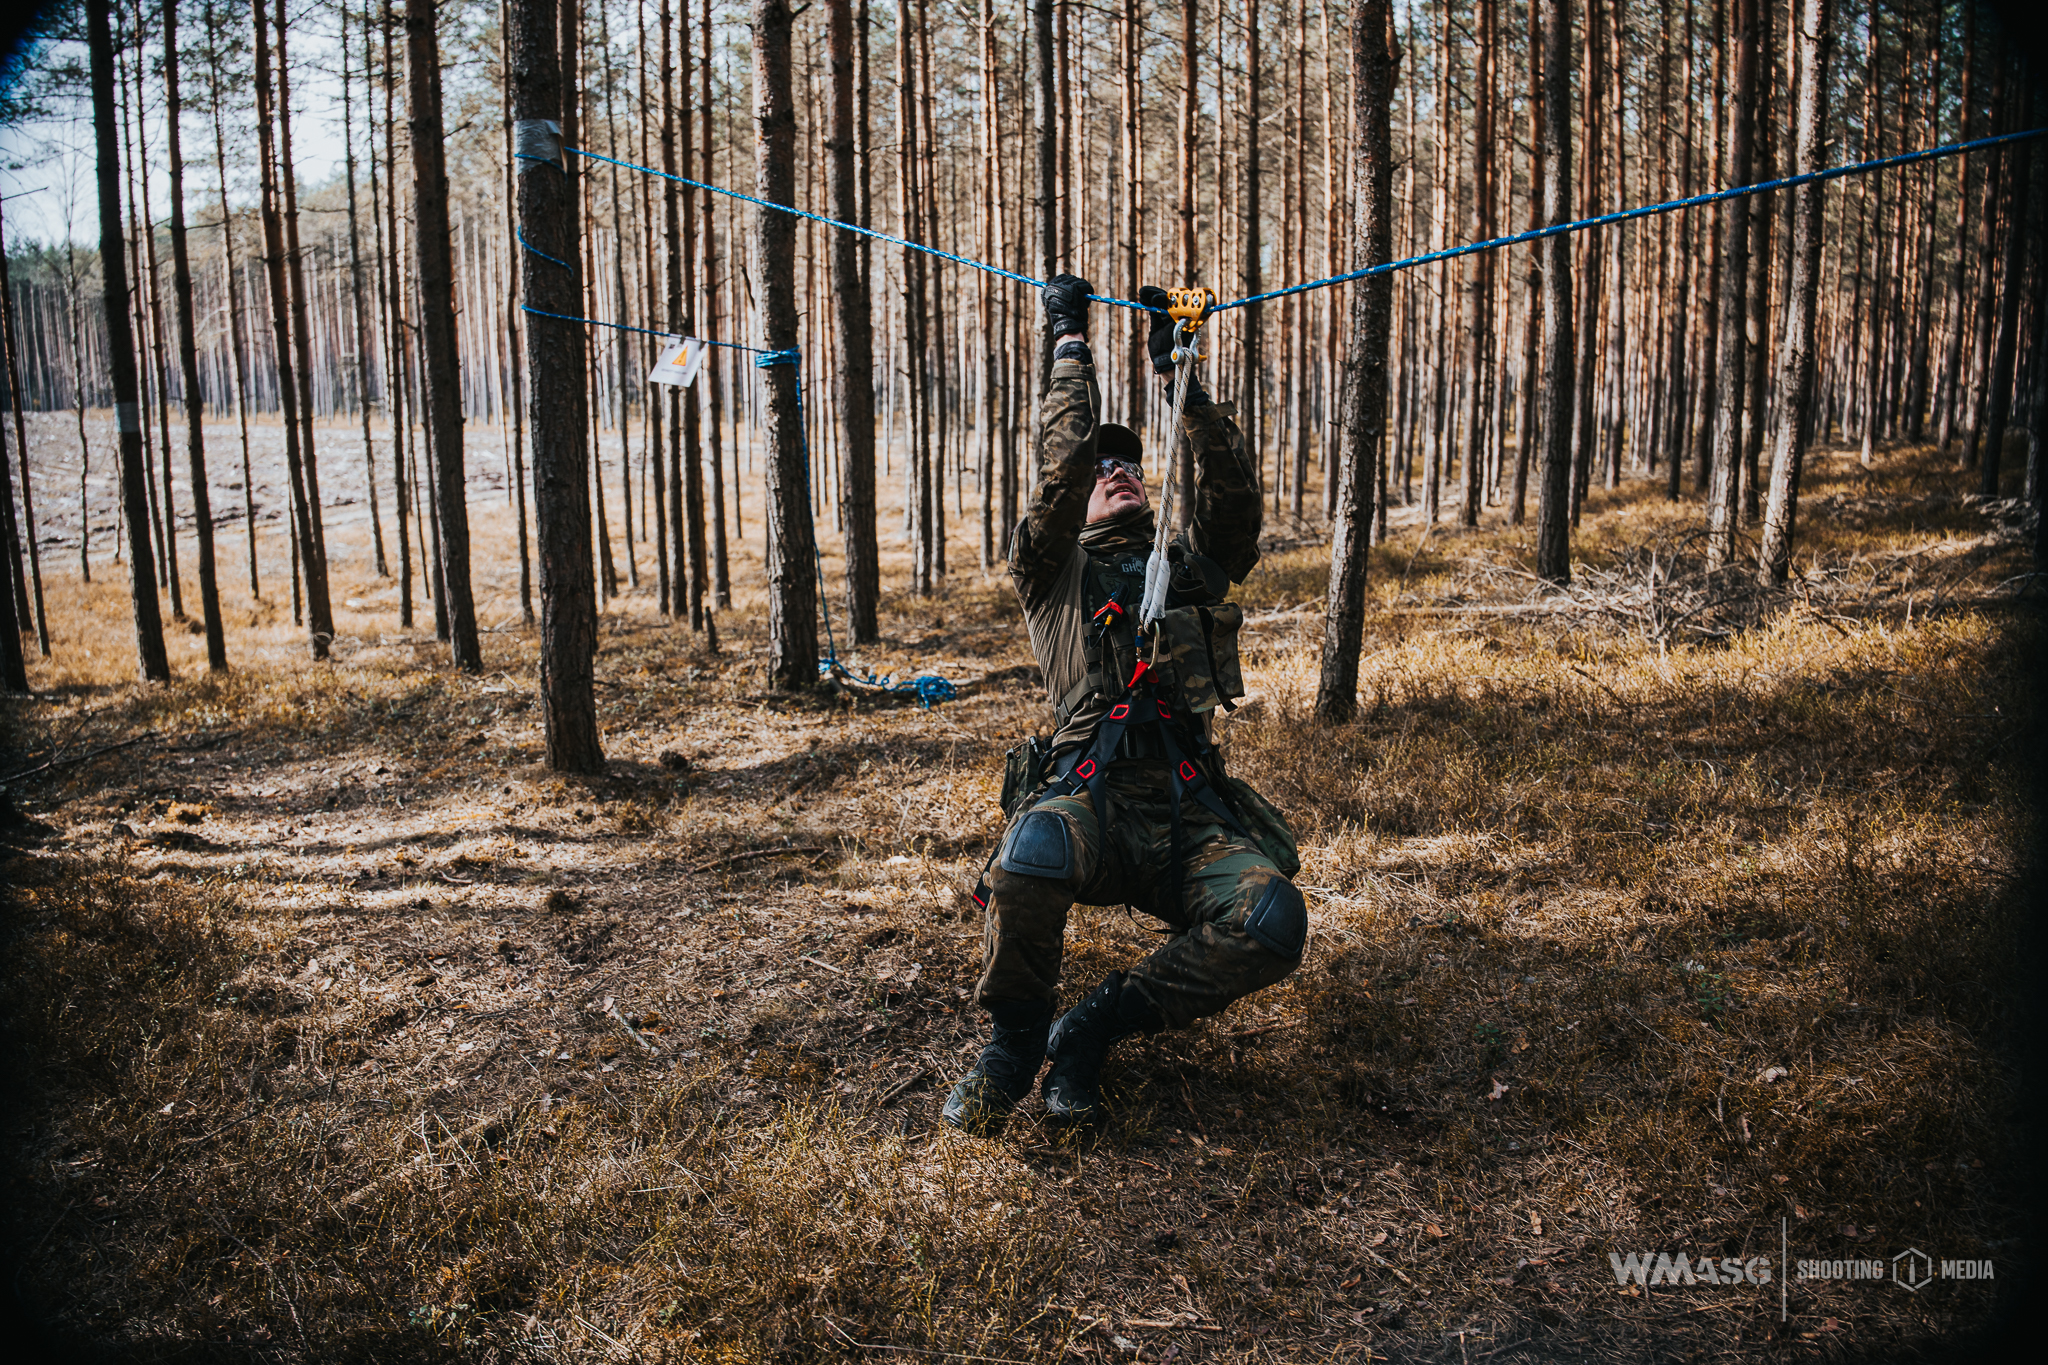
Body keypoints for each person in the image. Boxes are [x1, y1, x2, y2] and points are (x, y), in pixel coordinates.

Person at [943, 274, 1307, 1136]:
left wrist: (1179, 377)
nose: (1119, 473)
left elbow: (1235, 503)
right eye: (1103, 469)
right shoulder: (1050, 566)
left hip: (1185, 816)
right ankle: (1015, 1044)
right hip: (1089, 805)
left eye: (1131, 465)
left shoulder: (1185, 567)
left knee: (1272, 918)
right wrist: (1070, 343)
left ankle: (1093, 1028)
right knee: (1030, 850)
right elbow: (1065, 466)